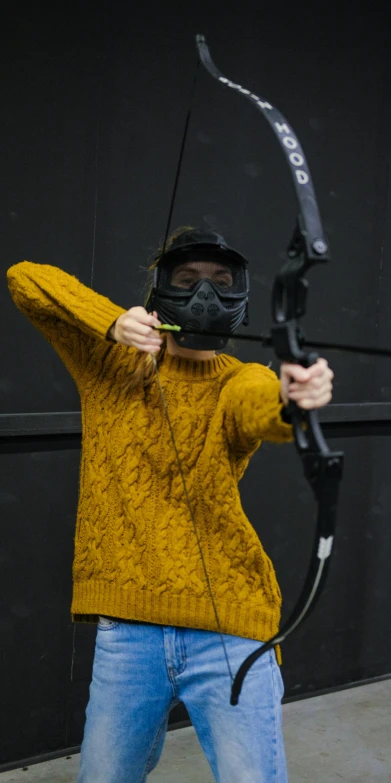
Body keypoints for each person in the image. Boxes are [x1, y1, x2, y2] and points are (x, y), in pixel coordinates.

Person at [6, 226, 334, 783]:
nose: (205, 293)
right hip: (129, 632)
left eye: (222, 282)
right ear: (159, 289)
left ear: (241, 297)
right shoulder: (107, 363)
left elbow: (261, 406)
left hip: (230, 630)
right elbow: (24, 278)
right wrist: (111, 321)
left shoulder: (241, 378)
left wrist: (293, 395)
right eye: (187, 280)